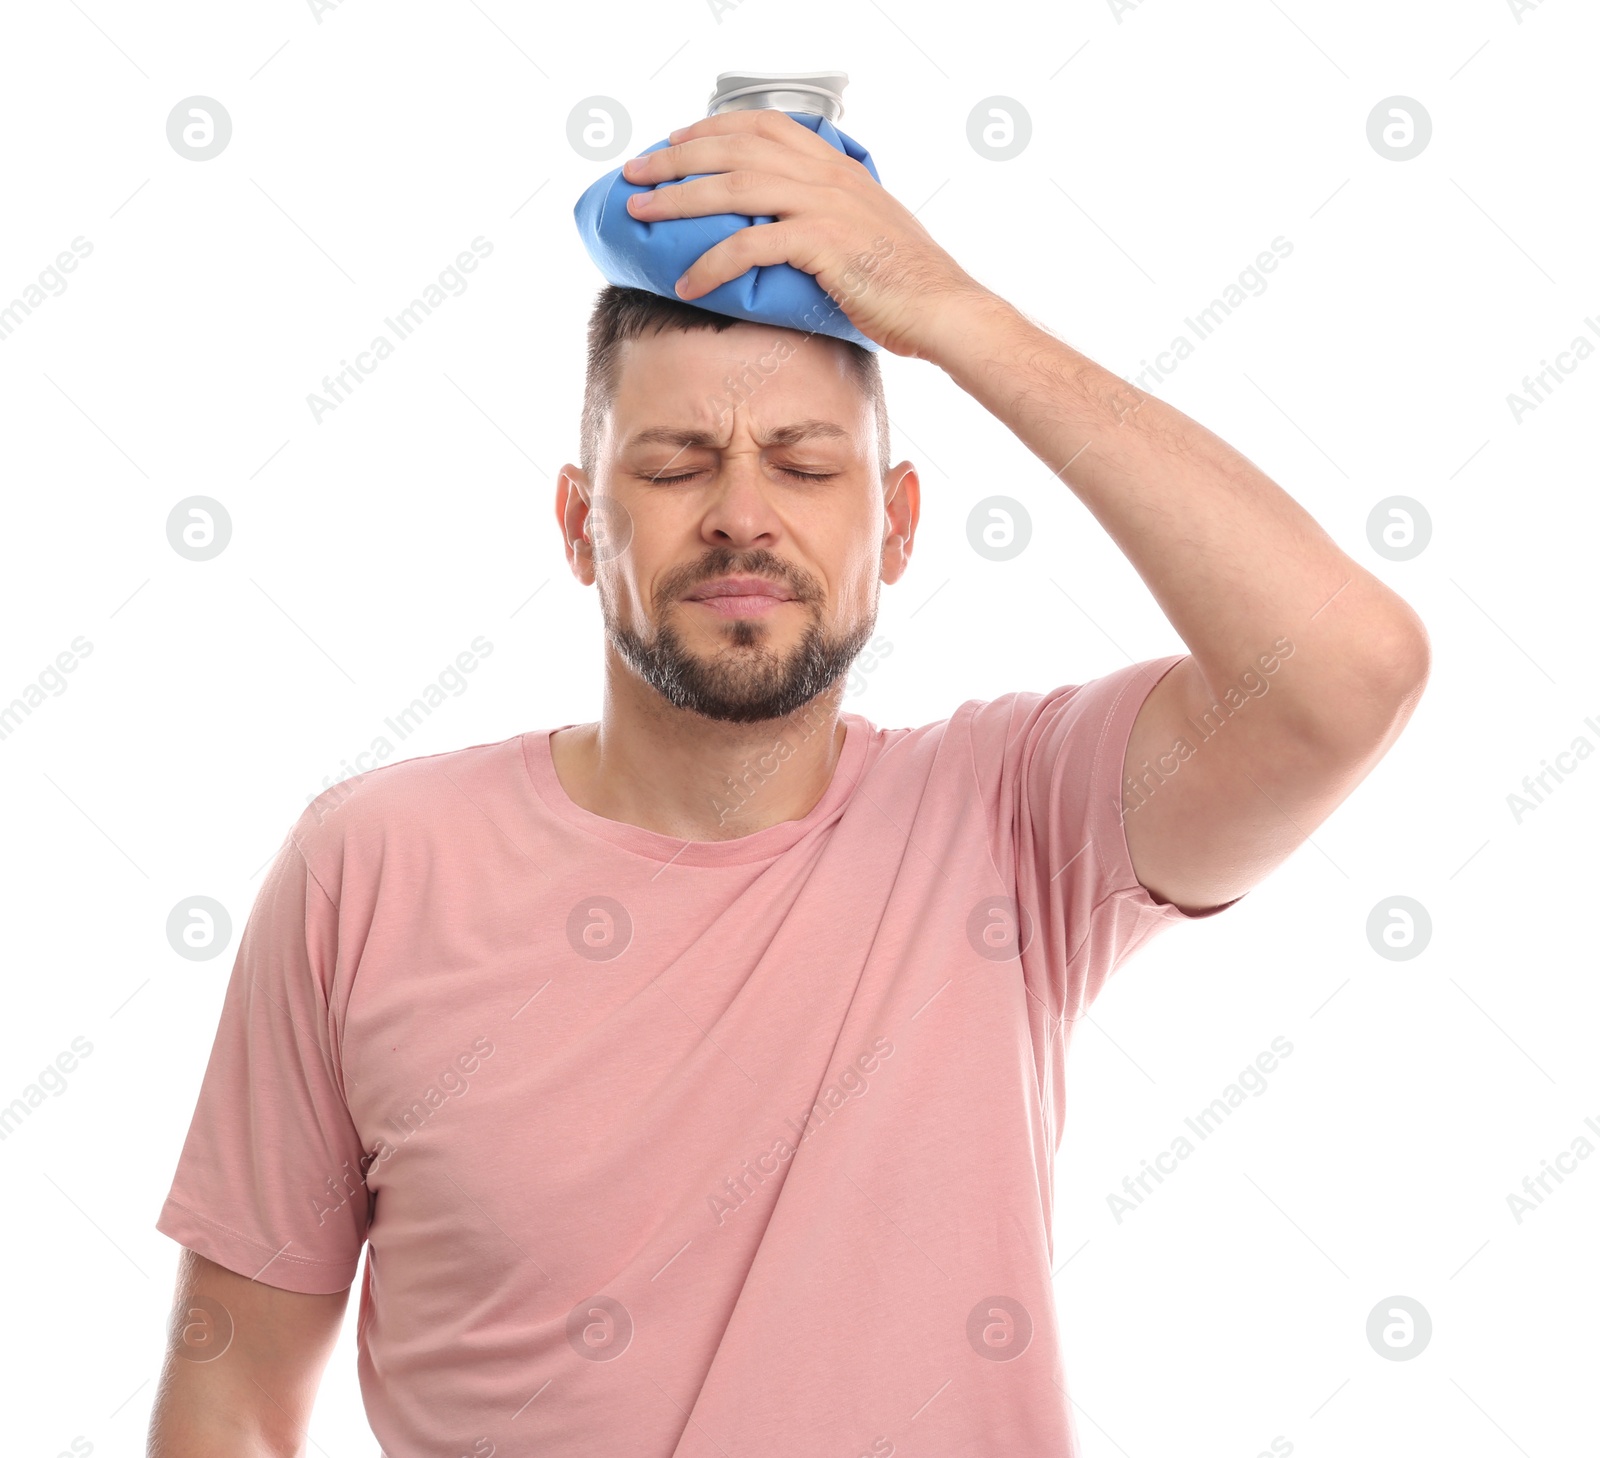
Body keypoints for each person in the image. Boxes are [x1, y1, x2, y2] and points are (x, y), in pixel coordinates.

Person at [147, 110, 1428, 1457]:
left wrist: (948, 310)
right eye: (677, 462)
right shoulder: (370, 864)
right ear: (584, 525)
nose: (743, 514)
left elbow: (1345, 672)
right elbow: (227, 1401)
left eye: (809, 464)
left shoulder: (1010, 823)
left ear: (901, 524)